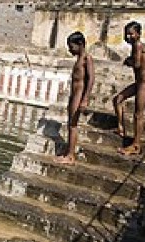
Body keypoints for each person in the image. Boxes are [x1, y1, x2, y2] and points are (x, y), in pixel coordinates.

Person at [113, 21, 145, 155]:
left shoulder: (137, 45)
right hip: (140, 82)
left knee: (138, 114)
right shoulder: (141, 45)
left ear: (138, 34)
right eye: (127, 34)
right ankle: (120, 128)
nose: (129, 36)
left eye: (131, 33)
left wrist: (128, 61)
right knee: (118, 99)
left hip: (144, 83)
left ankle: (136, 145)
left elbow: (136, 64)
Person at [54, 31, 95, 165]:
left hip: (79, 95)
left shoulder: (86, 58)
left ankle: (71, 156)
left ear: (80, 44)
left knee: (73, 125)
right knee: (70, 124)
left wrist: (85, 99)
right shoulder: (79, 59)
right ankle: (68, 153)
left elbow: (91, 79)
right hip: (74, 95)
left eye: (71, 46)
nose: (70, 49)